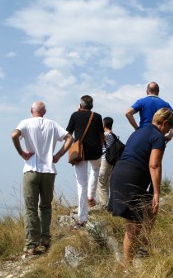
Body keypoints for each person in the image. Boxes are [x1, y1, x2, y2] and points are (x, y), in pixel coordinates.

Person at [110, 108, 173, 268]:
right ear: (165, 123)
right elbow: (154, 165)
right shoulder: (157, 137)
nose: (168, 133)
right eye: (169, 128)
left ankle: (144, 245)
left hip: (120, 173)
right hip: (129, 179)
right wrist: (156, 193)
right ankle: (127, 267)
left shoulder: (140, 132)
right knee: (133, 226)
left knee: (150, 209)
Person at [11, 101, 73, 255]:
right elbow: (69, 138)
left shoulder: (25, 123)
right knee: (45, 206)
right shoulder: (52, 124)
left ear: (31, 110)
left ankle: (31, 245)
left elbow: (14, 135)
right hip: (48, 170)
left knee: (30, 208)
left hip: (31, 170)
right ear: (44, 112)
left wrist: (22, 153)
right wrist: (58, 155)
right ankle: (45, 239)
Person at [66, 95, 104, 229]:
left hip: (80, 153)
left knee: (81, 184)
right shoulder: (98, 117)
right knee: (95, 170)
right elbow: (101, 135)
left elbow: (68, 134)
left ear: (80, 105)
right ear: (92, 106)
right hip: (95, 152)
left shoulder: (75, 115)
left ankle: (82, 218)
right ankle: (90, 197)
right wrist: (100, 147)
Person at [96, 117, 115, 207]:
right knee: (106, 181)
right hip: (111, 162)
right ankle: (107, 203)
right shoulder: (113, 135)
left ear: (104, 124)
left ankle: (103, 204)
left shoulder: (105, 135)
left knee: (101, 181)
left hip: (104, 160)